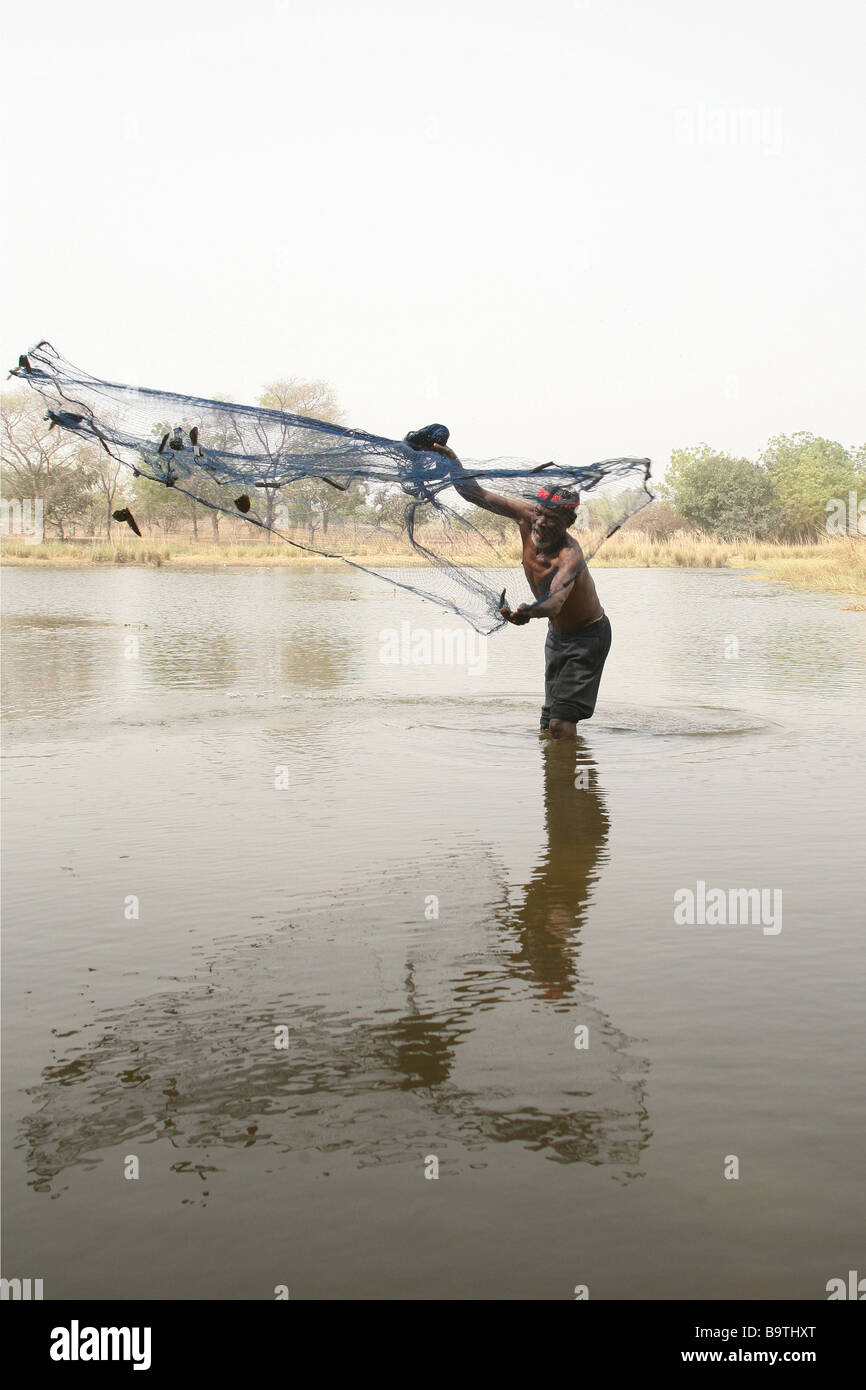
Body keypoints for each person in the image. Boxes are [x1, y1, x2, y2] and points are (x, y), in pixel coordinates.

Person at [433, 443, 612, 740]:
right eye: (540, 513)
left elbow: (555, 602)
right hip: (558, 636)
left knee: (561, 723)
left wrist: (530, 611)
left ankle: (574, 784)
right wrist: (452, 460)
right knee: (549, 722)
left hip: (587, 638)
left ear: (569, 522)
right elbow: (475, 494)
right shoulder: (525, 517)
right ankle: (556, 781)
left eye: (552, 519)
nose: (541, 523)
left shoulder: (570, 557)